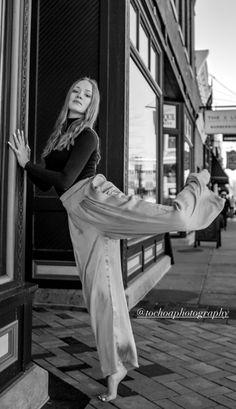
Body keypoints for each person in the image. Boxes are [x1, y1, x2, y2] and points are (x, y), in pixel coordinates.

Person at [8, 77, 224, 402]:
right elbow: (45, 186)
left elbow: (66, 179)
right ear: (68, 96)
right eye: (76, 91)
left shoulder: (87, 135)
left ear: (91, 103)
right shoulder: (57, 138)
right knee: (101, 296)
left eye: (87, 93)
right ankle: (116, 368)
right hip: (79, 217)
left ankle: (197, 181)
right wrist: (29, 164)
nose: (80, 96)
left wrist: (27, 164)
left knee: (175, 218)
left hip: (97, 200)